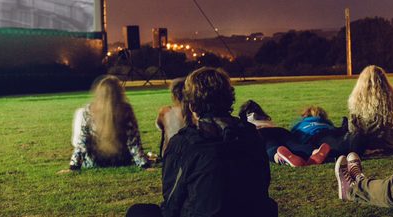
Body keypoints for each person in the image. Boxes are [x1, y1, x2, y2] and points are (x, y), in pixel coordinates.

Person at [127, 67, 279, 217]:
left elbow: (172, 201)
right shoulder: (251, 134)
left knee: (139, 212)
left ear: (192, 105)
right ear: (229, 98)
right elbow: (262, 184)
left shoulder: (184, 144)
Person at [63, 76, 151, 173]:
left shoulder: (88, 110)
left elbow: (82, 142)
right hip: (120, 160)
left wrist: (73, 167)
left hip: (93, 162)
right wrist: (144, 165)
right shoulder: (126, 110)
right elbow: (133, 142)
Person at [346, 65, 393, 152]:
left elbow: (353, 126)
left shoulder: (357, 98)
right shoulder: (388, 97)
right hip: (381, 136)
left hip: (363, 137)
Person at [155, 78, 188, 157]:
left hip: (169, 154)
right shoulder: (195, 111)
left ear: (173, 95)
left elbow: (159, 126)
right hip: (190, 153)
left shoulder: (165, 111)